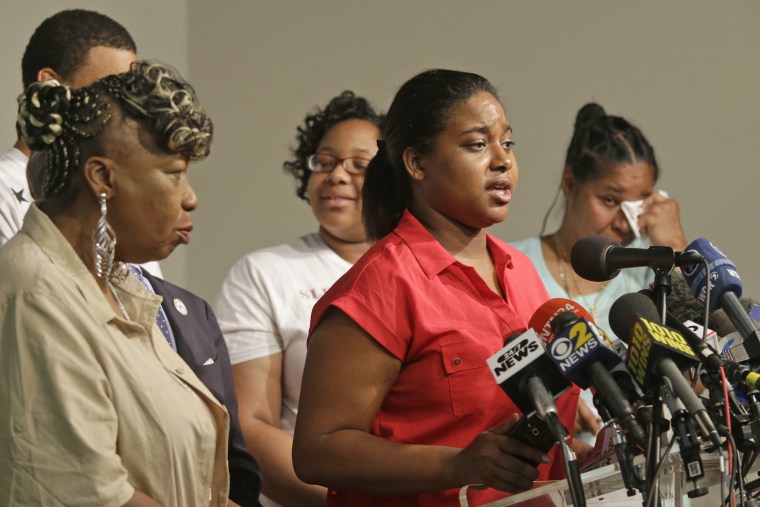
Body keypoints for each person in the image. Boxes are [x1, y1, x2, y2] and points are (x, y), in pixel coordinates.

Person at [292, 69, 580, 506]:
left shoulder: (519, 270)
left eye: (508, 142)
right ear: (416, 163)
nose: (502, 160)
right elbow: (318, 450)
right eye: (477, 144)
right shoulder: (384, 284)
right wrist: (456, 465)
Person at [0, 62, 228, 506]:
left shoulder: (121, 287)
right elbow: (87, 494)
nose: (190, 197)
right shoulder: (36, 292)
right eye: (174, 173)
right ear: (103, 178)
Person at [214, 91, 383, 506]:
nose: (337, 175)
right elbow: (249, 426)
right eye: (324, 162)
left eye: (359, 166)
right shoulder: (264, 273)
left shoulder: (423, 268)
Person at [509, 102, 688, 438]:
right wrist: (555, 399)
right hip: (559, 473)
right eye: (609, 200)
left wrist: (676, 249)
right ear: (569, 182)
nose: (626, 221)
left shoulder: (651, 270)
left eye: (640, 204)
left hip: (654, 466)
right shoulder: (513, 265)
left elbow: (695, 375)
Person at [0, 9, 140, 248]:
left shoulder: (112, 199)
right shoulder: (3, 190)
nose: (126, 109)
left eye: (130, 92)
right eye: (110, 90)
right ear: (50, 84)